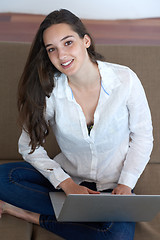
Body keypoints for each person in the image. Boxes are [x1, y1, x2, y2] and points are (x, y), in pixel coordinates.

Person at [0, 9, 153, 240]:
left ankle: (30, 215)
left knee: (116, 236)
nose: (62, 56)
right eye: (52, 49)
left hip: (113, 186)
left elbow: (142, 136)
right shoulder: (50, 91)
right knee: (4, 178)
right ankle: (85, 213)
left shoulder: (125, 80)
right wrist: (67, 184)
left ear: (86, 41)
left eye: (68, 43)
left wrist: (126, 184)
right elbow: (28, 146)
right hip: (69, 181)